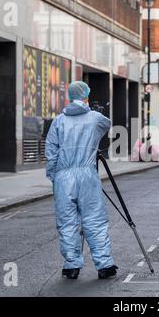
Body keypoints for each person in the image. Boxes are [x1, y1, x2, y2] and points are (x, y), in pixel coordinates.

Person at [45, 81, 118, 280]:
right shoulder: (94, 118)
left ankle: (71, 265)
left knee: (67, 222)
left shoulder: (58, 121)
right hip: (87, 174)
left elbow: (51, 153)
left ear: (69, 97)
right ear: (85, 96)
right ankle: (104, 265)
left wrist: (54, 177)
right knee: (94, 219)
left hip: (63, 176)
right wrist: (92, 111)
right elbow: (107, 124)